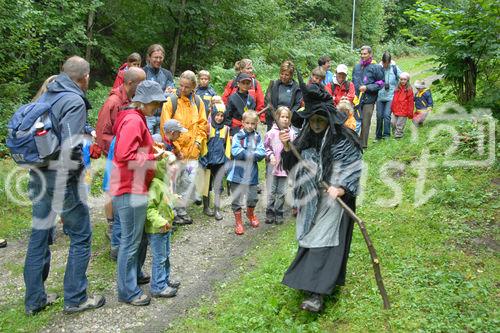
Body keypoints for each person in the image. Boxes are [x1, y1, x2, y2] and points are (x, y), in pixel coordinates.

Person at [24, 56, 106, 315]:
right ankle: (76, 298)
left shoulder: (48, 93)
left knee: (39, 234)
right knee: (81, 236)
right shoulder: (74, 100)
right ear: (85, 77)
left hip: (38, 172)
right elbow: (70, 144)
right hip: (61, 177)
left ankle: (34, 300)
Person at [279, 70, 363, 313]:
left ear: (328, 119)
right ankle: (310, 284)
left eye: (320, 120)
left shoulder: (342, 138)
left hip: (334, 202)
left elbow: (353, 165)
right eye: (312, 120)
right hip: (312, 201)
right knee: (311, 240)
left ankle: (318, 294)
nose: (315, 125)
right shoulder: (305, 137)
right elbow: (291, 165)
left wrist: (342, 187)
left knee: (326, 243)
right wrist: (287, 147)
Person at [110, 80, 167, 306]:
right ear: (145, 101)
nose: (157, 107)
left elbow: (135, 147)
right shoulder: (134, 120)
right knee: (130, 241)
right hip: (128, 188)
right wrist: (153, 157)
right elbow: (125, 154)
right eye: (155, 103)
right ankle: (127, 291)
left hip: (135, 185)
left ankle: (135, 275)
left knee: (138, 237)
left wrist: (152, 148)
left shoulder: (136, 118)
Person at [96, 67, 146, 244]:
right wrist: (122, 146)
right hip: (116, 156)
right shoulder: (113, 102)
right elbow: (102, 133)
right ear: (130, 82)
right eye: (141, 83)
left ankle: (121, 231)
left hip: (126, 156)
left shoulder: (130, 99)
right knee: (112, 190)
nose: (143, 86)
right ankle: (113, 230)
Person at [159, 70, 207, 225]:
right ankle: (171, 212)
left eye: (187, 86)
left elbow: (202, 124)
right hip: (175, 152)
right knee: (173, 182)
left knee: (188, 181)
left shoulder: (198, 102)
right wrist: (177, 149)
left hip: (193, 152)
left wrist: (199, 143)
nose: (183, 89)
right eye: (181, 85)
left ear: (194, 86)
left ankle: (182, 210)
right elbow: (165, 128)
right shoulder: (171, 102)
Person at [145, 158, 181, 298]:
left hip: (166, 228)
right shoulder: (155, 185)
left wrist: (174, 198)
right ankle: (158, 286)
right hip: (157, 230)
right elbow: (150, 208)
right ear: (161, 168)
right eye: (171, 165)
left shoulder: (163, 184)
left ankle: (164, 280)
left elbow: (165, 201)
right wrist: (160, 222)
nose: (175, 167)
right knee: (159, 258)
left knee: (165, 256)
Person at [227, 110, 266, 235]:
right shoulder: (238, 136)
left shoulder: (258, 137)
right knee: (236, 199)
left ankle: (250, 214)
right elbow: (236, 152)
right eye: (247, 123)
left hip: (252, 173)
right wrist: (251, 154)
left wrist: (248, 154)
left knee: (253, 197)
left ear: (256, 124)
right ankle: (238, 222)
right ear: (242, 123)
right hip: (237, 174)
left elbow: (261, 153)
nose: (250, 126)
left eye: (253, 124)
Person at [264, 106, 296, 224]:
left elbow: (294, 150)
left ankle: (279, 212)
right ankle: (270, 212)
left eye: (287, 117)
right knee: (271, 192)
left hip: (284, 169)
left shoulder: (292, 134)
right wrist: (270, 155)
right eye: (282, 117)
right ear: (277, 118)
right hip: (272, 167)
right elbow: (266, 147)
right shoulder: (271, 133)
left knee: (281, 192)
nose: (285, 119)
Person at [199, 105, 231, 220]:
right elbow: (203, 144)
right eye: (217, 115)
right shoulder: (207, 128)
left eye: (222, 116)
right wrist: (203, 159)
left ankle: (217, 209)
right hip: (207, 162)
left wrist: (227, 162)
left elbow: (227, 147)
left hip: (220, 162)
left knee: (218, 187)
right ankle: (206, 207)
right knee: (206, 186)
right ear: (213, 115)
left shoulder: (226, 129)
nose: (219, 118)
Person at [352, 45, 384, 148]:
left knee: (365, 122)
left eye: (365, 54)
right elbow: (353, 82)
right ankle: (352, 143)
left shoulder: (376, 67)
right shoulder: (356, 67)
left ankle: (363, 145)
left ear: (370, 54)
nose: (362, 56)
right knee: (354, 121)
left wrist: (368, 87)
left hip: (369, 99)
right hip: (356, 99)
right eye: (361, 54)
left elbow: (381, 83)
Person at [143, 44, 175, 134]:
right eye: (155, 57)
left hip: (163, 115)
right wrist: (163, 93)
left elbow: (171, 96)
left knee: (161, 145)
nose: (158, 60)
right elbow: (144, 96)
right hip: (148, 116)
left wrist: (157, 94)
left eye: (160, 58)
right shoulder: (142, 72)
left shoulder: (167, 74)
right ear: (149, 57)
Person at [222, 59, 265, 123]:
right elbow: (224, 100)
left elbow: (260, 102)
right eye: (248, 68)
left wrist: (261, 117)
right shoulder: (233, 82)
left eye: (251, 68)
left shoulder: (255, 83)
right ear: (241, 70)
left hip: (250, 121)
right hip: (235, 121)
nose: (250, 70)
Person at [264, 60, 303, 131]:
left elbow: (298, 104)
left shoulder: (296, 88)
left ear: (291, 75)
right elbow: (267, 101)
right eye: (282, 74)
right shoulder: (274, 85)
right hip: (273, 119)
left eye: (286, 75)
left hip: (288, 120)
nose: (283, 77)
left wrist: (288, 116)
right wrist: (275, 116)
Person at [376, 51, 402, 140]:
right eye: (384, 63)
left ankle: (386, 135)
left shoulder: (394, 68)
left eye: (388, 63)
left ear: (390, 62)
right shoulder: (378, 68)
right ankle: (378, 136)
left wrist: (398, 88)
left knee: (387, 115)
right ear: (382, 61)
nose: (386, 65)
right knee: (379, 116)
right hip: (380, 96)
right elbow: (373, 80)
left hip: (391, 96)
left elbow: (402, 78)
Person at [391, 72, 414, 139]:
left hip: (404, 110)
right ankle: (395, 133)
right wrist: (392, 107)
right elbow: (394, 99)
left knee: (399, 124)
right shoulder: (397, 88)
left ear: (407, 80)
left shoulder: (409, 89)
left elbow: (411, 101)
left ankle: (398, 136)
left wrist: (410, 112)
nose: (403, 81)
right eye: (401, 79)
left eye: (404, 79)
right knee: (393, 123)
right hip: (396, 109)